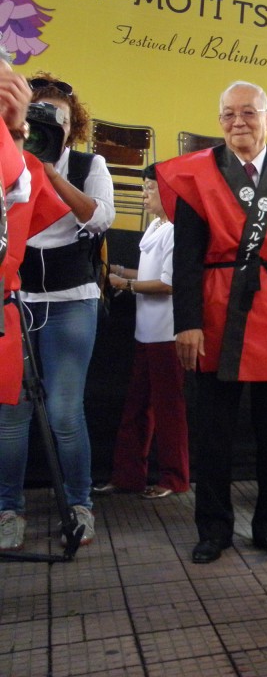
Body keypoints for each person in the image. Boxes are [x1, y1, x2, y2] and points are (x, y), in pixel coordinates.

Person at [157, 81, 267, 565]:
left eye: (249, 113)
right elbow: (184, 257)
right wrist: (186, 322)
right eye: (227, 115)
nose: (238, 122)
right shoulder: (196, 174)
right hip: (215, 309)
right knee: (213, 430)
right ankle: (214, 528)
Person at [0, 72, 114, 550]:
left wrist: (49, 173)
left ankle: (79, 503)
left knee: (66, 411)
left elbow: (101, 217)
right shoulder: (8, 161)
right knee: (12, 412)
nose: (49, 125)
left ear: (74, 126)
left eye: (59, 120)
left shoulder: (89, 164)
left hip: (71, 301)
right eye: (39, 116)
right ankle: (9, 509)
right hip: (17, 299)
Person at [0, 55, 69, 552]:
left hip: (14, 304)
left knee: (21, 416)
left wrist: (16, 129)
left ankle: (15, 508)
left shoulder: (22, 161)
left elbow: (23, 194)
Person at [93, 164, 188, 500]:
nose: (144, 195)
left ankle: (175, 478)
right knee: (137, 408)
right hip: (145, 332)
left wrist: (126, 284)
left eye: (150, 188)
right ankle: (128, 475)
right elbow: (151, 270)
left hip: (166, 334)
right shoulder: (157, 227)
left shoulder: (178, 230)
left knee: (168, 411)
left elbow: (168, 283)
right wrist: (119, 270)